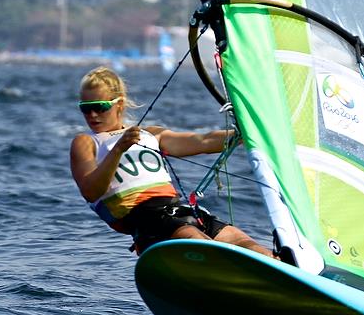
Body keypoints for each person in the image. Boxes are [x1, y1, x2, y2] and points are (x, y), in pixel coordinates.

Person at [70, 66, 275, 258]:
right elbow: (91, 191)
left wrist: (246, 133)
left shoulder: (150, 134)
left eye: (99, 107)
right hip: (146, 222)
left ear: (119, 104)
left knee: (248, 245)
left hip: (180, 211)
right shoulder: (86, 142)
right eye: (85, 109)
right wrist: (118, 150)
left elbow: (202, 141)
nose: (93, 115)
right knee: (198, 240)